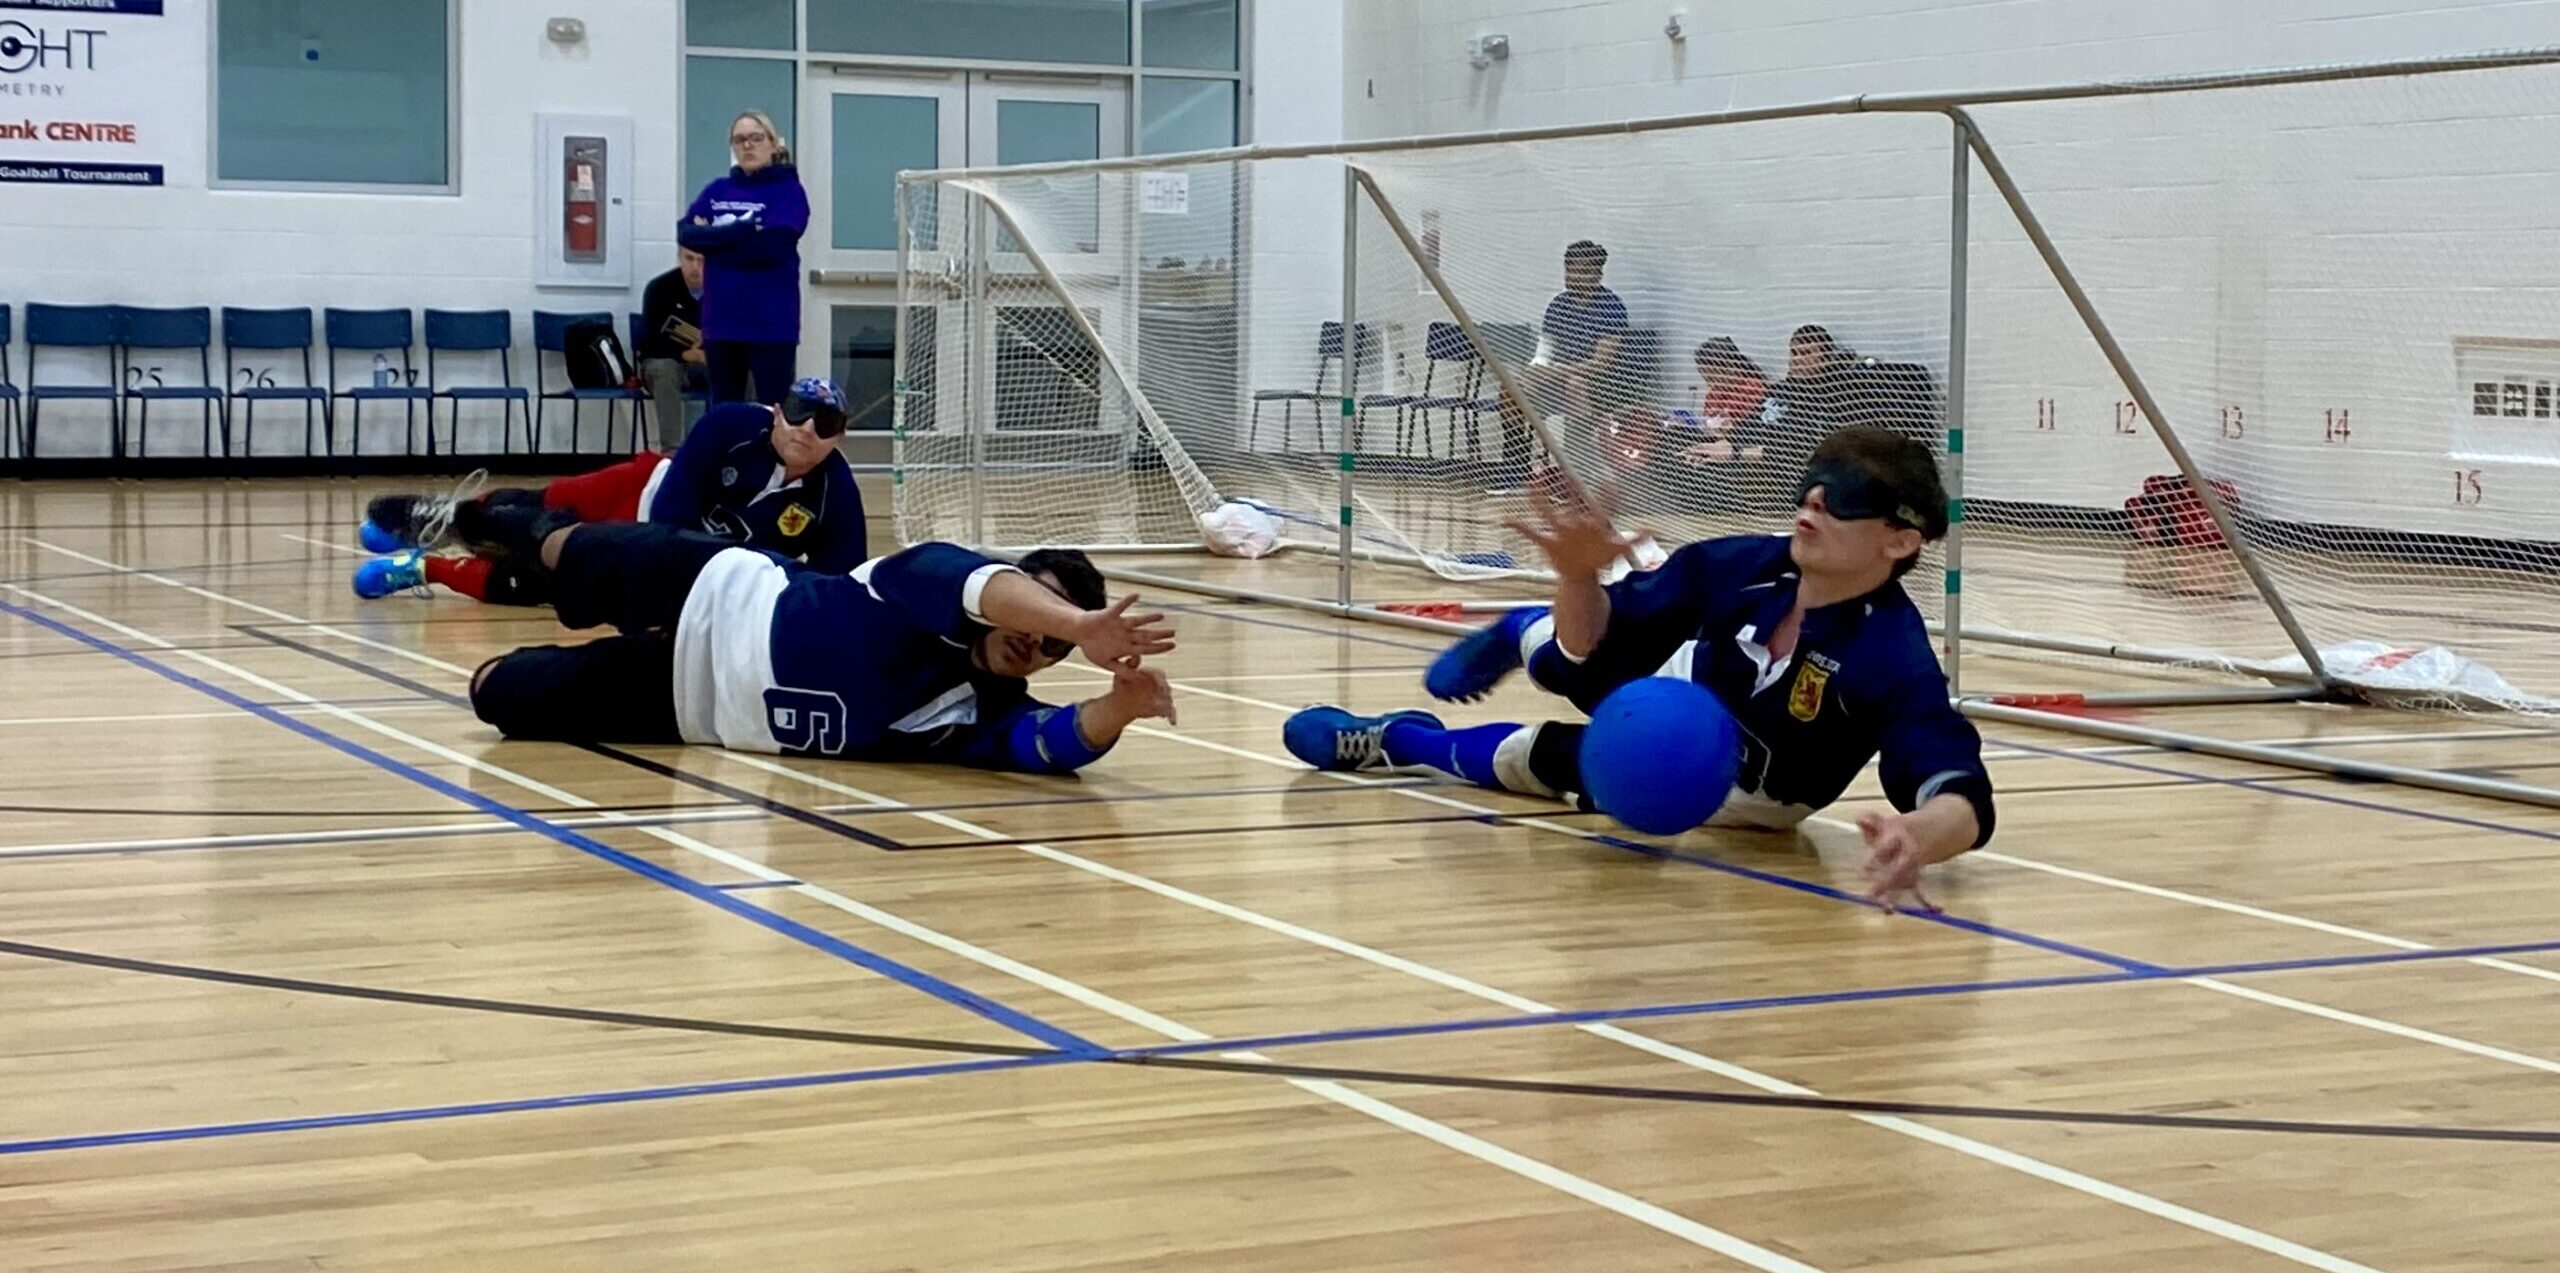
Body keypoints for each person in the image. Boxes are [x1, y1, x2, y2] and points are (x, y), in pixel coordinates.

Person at [1284, 427, 1996, 910]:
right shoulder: (1739, 565)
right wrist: (1575, 580)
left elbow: (1958, 788)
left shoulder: (1891, 654)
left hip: (1750, 800)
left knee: (1537, 760)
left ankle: (1401, 737)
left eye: (1844, 499)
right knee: (1579, 658)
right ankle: (1511, 634)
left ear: (1901, 539)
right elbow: (1599, 637)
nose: (1813, 506)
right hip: (1675, 698)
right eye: (1811, 488)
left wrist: (1919, 837)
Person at [468, 521, 1178, 777]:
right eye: (1040, 614)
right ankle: (492, 525)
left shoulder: (973, 712)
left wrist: (1118, 706)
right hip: (714, 586)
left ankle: (488, 567)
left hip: (688, 702)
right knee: (562, 551)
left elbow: (1046, 746)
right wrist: (1081, 625)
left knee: (495, 690)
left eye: (1054, 644)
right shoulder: (922, 584)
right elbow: (979, 583)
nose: (1036, 638)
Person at [352, 377, 866, 605]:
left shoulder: (834, 492)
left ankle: (424, 569)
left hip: (681, 571)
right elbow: (672, 511)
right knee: (535, 510)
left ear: (839, 438)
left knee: (534, 583)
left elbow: (837, 579)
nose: (805, 430)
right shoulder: (731, 424)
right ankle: (440, 517)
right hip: (641, 498)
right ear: (777, 413)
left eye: (824, 425)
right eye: (797, 413)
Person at [680, 109, 808, 407]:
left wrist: (715, 240)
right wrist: (746, 229)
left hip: (771, 325)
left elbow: (773, 247)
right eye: (739, 140)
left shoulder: (788, 192)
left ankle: (769, 457)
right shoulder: (717, 190)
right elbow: (687, 234)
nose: (747, 146)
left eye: (756, 138)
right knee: (724, 412)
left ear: (774, 145)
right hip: (721, 322)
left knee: (771, 411)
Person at [1492, 240, 1630, 491]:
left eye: (1582, 270)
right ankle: (1515, 469)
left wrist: (1555, 371)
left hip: (1597, 385)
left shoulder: (1612, 307)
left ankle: (1576, 468)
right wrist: (1536, 369)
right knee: (1510, 390)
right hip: (1557, 379)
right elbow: (1545, 349)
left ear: (1597, 274)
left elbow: (1601, 364)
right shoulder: (1559, 304)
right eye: (1570, 269)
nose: (1574, 276)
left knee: (1576, 386)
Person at [637, 247, 709, 449]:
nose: (695, 267)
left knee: (739, 372)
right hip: (663, 361)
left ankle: (739, 445)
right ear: (679, 258)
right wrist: (686, 354)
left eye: (702, 260)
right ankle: (672, 452)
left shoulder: (723, 291)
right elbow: (650, 342)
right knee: (665, 369)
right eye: (690, 258)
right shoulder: (659, 288)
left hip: (705, 362)